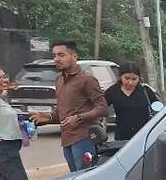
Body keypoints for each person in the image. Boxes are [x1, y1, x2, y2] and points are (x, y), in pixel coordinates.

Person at [30, 40, 108, 171]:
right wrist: (48, 117)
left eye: (61, 55)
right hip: (66, 139)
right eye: (54, 55)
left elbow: (102, 108)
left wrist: (79, 118)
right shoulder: (59, 79)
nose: (56, 59)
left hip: (84, 138)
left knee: (85, 179)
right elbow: (62, 111)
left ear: (74, 56)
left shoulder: (87, 79)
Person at [104, 61, 159, 141]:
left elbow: (159, 109)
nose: (130, 82)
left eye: (134, 79)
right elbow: (101, 107)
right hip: (122, 137)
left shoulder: (145, 91)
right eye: (126, 78)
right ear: (120, 77)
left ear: (139, 78)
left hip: (144, 136)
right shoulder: (112, 91)